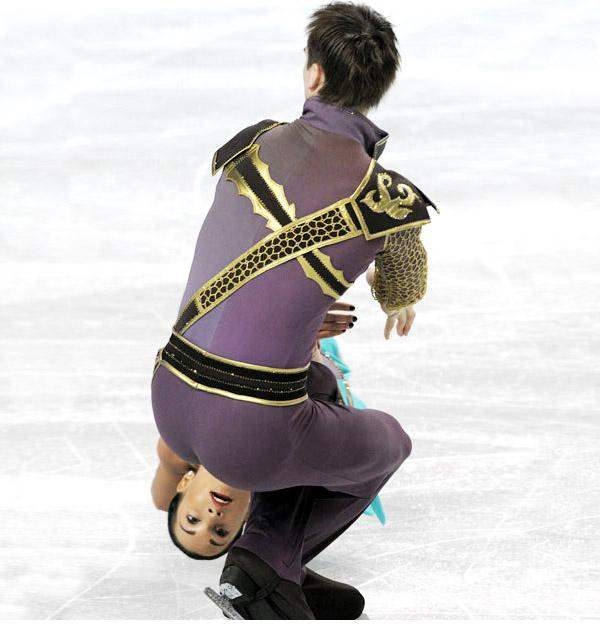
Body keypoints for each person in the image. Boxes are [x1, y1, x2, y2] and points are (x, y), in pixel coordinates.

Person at [150, 1, 437, 618]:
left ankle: (279, 564)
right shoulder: (386, 198)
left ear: (314, 76)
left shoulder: (246, 145)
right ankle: (267, 566)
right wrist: (400, 298)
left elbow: (243, 249)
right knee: (388, 443)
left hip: (168, 393)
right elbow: (400, 285)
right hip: (249, 428)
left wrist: (296, 319)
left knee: (322, 387)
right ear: (382, 88)